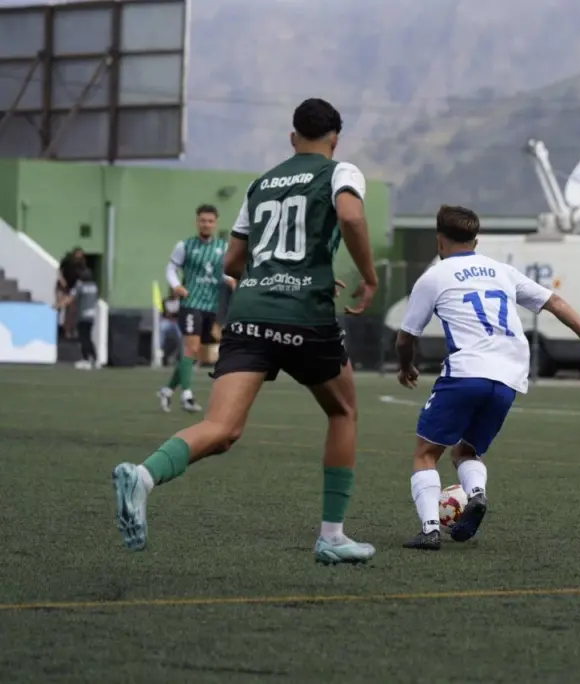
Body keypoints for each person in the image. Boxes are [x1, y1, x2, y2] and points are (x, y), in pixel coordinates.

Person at [112, 98, 380, 565]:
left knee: (221, 428)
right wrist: (369, 278)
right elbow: (351, 216)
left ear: (292, 137)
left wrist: (276, 271)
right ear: (335, 139)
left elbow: (233, 262)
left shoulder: (261, 184)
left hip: (250, 311)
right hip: (304, 315)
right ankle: (332, 537)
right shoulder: (341, 172)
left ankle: (144, 475)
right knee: (343, 412)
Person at [395, 205, 580, 551]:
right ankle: (476, 494)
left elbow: (406, 337)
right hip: (509, 377)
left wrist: (406, 367)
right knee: (466, 451)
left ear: (439, 240)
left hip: (467, 371)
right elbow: (554, 301)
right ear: (476, 241)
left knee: (425, 453)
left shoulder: (434, 276)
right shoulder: (502, 271)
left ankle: (430, 530)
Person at [157, 205, 236, 413]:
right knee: (191, 348)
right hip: (191, 303)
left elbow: (224, 273)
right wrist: (176, 286)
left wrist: (231, 280)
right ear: (197, 222)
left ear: (216, 223)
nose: (206, 224)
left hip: (212, 306)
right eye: (203, 220)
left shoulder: (223, 247)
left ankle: (167, 390)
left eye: (210, 221)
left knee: (196, 354)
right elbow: (171, 268)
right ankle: (187, 396)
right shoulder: (185, 246)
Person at [56, 268, 100, 369]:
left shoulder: (80, 286)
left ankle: (86, 359)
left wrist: (59, 305)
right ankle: (95, 359)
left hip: (82, 315)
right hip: (91, 315)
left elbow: (71, 298)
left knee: (83, 338)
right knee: (88, 337)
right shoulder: (94, 287)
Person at [56, 247, 86, 340]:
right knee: (59, 307)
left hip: (72, 288)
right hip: (62, 287)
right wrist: (62, 281)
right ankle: (55, 327)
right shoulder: (67, 262)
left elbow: (81, 278)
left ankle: (68, 330)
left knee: (71, 311)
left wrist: (74, 291)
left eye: (80, 254)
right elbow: (60, 272)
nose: (78, 256)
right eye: (77, 254)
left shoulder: (81, 265)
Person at [159, 288, 182, 366]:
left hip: (177, 322)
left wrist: (173, 315)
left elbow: (180, 314)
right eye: (172, 292)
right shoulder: (165, 301)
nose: (174, 294)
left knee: (180, 334)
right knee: (161, 327)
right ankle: (159, 349)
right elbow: (164, 313)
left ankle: (180, 355)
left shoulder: (182, 302)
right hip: (168, 321)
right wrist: (171, 315)